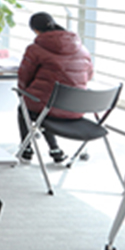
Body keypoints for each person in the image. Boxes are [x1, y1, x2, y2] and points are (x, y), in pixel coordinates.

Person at [16, 12, 94, 163]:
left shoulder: (35, 49)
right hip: (77, 107)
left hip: (49, 107)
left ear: (35, 30)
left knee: (27, 106)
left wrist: (25, 91)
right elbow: (88, 76)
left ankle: (27, 150)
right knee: (48, 103)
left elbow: (24, 78)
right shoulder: (82, 48)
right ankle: (54, 149)